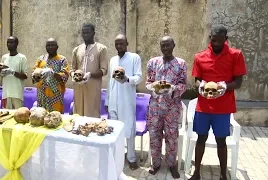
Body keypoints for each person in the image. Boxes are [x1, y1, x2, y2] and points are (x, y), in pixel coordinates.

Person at [189, 26, 247, 180]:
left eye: (220, 41)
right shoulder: (200, 57)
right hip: (203, 106)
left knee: (221, 140)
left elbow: (239, 82)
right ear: (210, 38)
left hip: (223, 107)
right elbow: (196, 80)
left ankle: (223, 175)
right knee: (201, 138)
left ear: (225, 39)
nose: (216, 44)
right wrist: (201, 85)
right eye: (213, 40)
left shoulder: (235, 55)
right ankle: (196, 173)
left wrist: (224, 86)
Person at [146, 36, 187, 178]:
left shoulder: (181, 64)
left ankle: (171, 164)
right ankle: (155, 163)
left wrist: (172, 89)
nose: (165, 48)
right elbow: (148, 82)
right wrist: (153, 87)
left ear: (173, 45)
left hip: (172, 107)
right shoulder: (153, 62)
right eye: (162, 46)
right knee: (154, 135)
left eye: (168, 45)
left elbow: (183, 85)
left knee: (172, 137)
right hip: (155, 107)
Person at [104, 34, 142, 170]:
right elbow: (110, 80)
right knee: (114, 129)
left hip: (127, 100)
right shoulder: (113, 59)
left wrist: (126, 79)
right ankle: (117, 156)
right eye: (117, 44)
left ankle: (131, 158)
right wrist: (108, 100)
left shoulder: (134, 58)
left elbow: (138, 77)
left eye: (121, 43)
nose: (119, 46)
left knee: (129, 129)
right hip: (114, 100)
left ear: (127, 44)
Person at [70, 23, 108, 118]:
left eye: (88, 32)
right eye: (83, 33)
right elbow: (72, 68)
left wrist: (90, 75)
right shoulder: (76, 50)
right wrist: (73, 75)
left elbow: (104, 70)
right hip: (79, 88)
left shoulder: (101, 49)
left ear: (93, 33)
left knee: (92, 115)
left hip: (93, 88)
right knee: (78, 114)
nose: (85, 35)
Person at [33, 38, 69, 113]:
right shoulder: (41, 59)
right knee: (41, 117)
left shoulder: (62, 60)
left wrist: (53, 73)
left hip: (55, 96)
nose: (50, 47)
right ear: (45, 47)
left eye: (52, 45)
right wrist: (35, 75)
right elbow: (34, 76)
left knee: (55, 118)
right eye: (48, 46)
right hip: (41, 95)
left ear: (57, 47)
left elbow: (65, 77)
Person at [0, 36, 28, 109]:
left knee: (17, 116)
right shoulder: (4, 57)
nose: (9, 44)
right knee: (6, 116)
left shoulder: (22, 58)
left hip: (17, 94)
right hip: (6, 94)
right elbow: (0, 72)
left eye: (11, 42)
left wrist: (12, 71)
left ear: (16, 44)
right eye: (8, 42)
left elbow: (25, 76)